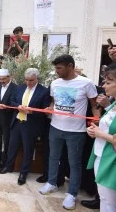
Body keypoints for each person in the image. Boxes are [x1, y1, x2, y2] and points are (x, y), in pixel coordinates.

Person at [39, 54, 99, 210]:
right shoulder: (55, 83)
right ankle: (52, 183)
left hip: (76, 132)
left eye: (59, 68)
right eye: (56, 68)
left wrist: (97, 120)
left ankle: (72, 194)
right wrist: (49, 110)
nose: (56, 71)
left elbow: (94, 105)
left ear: (70, 66)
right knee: (53, 157)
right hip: (55, 127)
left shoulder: (86, 83)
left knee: (75, 163)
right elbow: (54, 103)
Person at [0, 68, 50, 186]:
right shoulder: (20, 88)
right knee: (12, 146)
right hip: (17, 122)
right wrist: (18, 106)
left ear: (37, 79)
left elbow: (45, 111)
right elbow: (12, 101)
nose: (28, 83)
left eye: (31, 80)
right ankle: (9, 166)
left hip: (30, 125)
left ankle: (23, 173)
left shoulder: (44, 91)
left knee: (28, 149)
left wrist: (32, 111)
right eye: (26, 80)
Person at [86, 63, 116, 212]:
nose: (104, 85)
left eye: (108, 82)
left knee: (111, 203)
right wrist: (95, 130)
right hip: (100, 156)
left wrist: (101, 134)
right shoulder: (114, 105)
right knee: (104, 198)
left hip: (113, 161)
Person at [0, 69, 17, 167]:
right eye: (0, 79)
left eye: (4, 79)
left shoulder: (15, 88)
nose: (2, 81)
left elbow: (15, 103)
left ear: (9, 77)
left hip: (8, 117)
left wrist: (6, 106)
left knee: (7, 139)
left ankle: (5, 159)